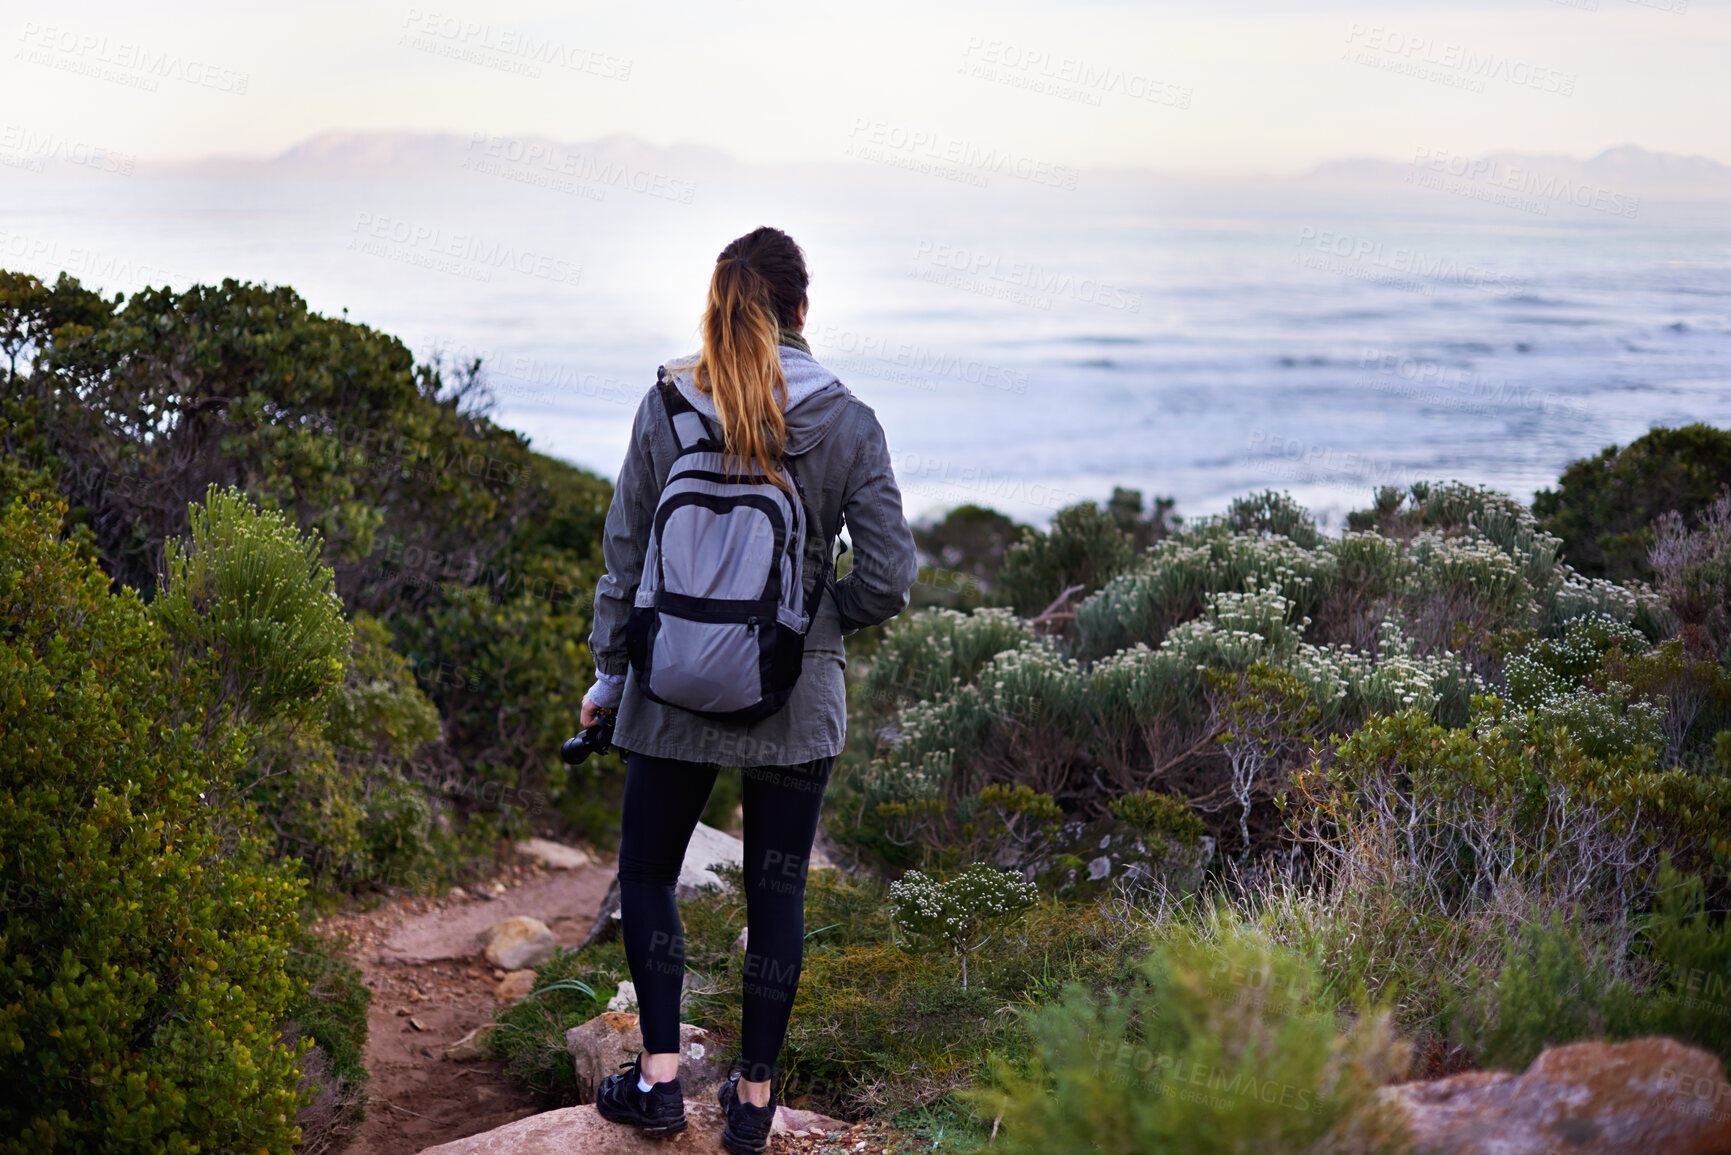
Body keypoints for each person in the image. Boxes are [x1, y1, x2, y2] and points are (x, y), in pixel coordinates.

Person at [583, 226, 918, 1153]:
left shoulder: (669, 401)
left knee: (647, 875)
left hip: (670, 691)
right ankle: (752, 1104)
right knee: (776, 898)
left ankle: (654, 1082)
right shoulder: (845, 419)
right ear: (802, 308)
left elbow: (623, 552)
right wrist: (812, 623)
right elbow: (888, 578)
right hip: (793, 703)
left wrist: (611, 672)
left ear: (720, 302)